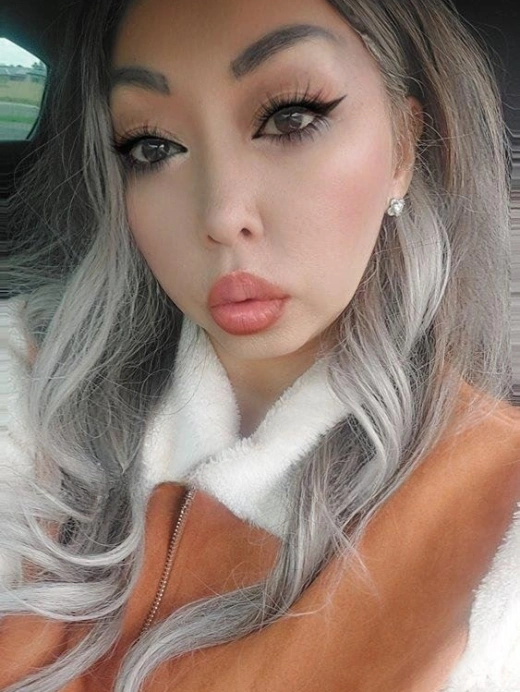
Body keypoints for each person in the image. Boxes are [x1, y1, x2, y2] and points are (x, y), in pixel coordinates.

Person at [1, 0, 520, 689]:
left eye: (290, 117)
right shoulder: (24, 385)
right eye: (152, 147)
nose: (221, 216)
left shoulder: (498, 511)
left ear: (403, 143)